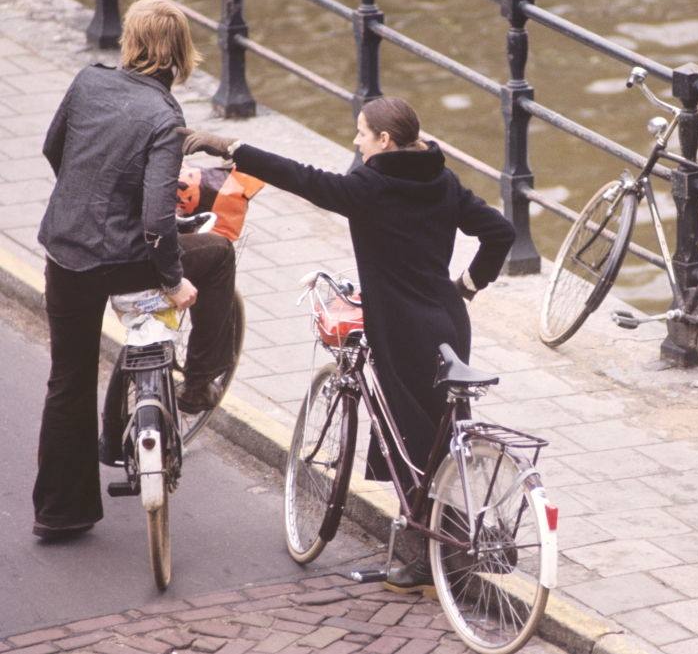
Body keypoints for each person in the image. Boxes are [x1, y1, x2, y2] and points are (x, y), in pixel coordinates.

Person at [181, 96, 515, 593]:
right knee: (440, 435)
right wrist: (465, 285)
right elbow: (501, 231)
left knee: (413, 448)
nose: (355, 143)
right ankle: (454, 545)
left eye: (361, 134)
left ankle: (437, 560)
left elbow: (303, 177)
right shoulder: (441, 179)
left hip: (401, 331)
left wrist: (232, 146)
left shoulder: (371, 186)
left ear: (384, 141)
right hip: (448, 323)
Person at [33, 0, 237, 541]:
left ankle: (60, 512)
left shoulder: (86, 82)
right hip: (126, 262)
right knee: (216, 256)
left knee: (67, 379)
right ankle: (197, 384)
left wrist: (84, 198)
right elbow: (154, 220)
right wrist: (173, 282)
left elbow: (54, 151)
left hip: (66, 252)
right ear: (180, 52)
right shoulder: (163, 116)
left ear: (129, 41)